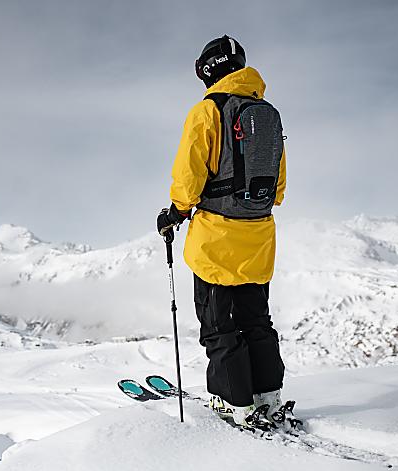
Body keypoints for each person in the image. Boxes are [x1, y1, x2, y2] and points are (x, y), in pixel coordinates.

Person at [157, 35, 287, 428]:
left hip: (217, 237)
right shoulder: (266, 113)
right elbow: (278, 186)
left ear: (209, 71)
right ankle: (269, 396)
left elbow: (189, 172)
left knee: (219, 324)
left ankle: (235, 403)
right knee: (256, 319)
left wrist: (175, 212)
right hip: (259, 235)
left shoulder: (208, 111)